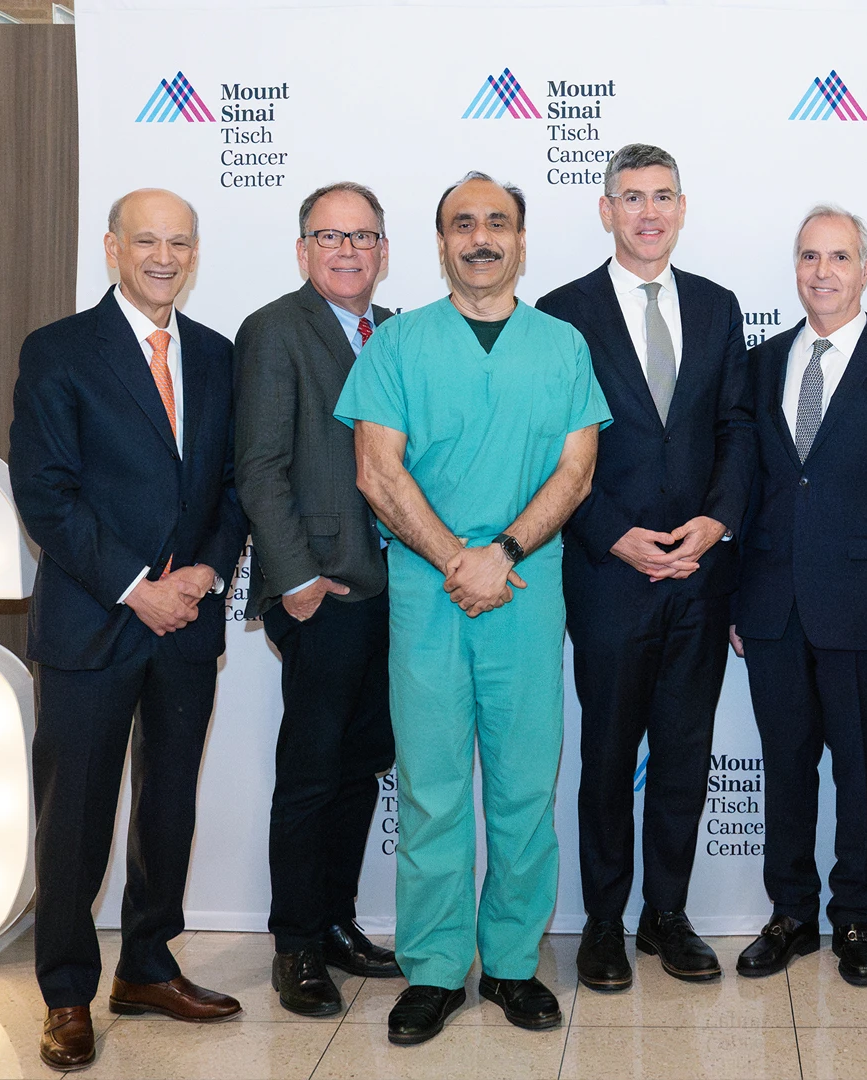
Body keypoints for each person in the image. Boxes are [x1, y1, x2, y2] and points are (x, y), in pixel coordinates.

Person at [335, 171, 611, 1045]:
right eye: (464, 223)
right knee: (432, 790)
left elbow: (578, 471)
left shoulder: (562, 345)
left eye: (498, 223)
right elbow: (379, 471)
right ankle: (432, 969)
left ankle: (514, 965)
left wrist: (505, 554)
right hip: (430, 595)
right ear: (441, 240)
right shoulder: (399, 345)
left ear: (521, 241)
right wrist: (460, 559)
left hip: (525, 592)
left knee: (525, 789)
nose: (481, 237)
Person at [9, 188, 249, 1071]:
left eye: (178, 242)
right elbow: (46, 493)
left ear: (195, 252)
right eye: (145, 240)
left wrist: (204, 574)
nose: (163, 256)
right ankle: (67, 993)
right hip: (92, 623)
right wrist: (135, 586)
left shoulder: (220, 358)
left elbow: (233, 489)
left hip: (186, 622)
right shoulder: (60, 351)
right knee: (73, 817)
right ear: (112, 247)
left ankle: (148, 965)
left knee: (168, 807)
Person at [536, 144, 753, 992]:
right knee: (607, 755)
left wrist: (719, 520)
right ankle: (600, 925)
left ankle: (667, 915)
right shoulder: (561, 312)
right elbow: (547, 451)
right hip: (607, 574)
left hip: (700, 574)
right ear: (606, 210)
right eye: (632, 197)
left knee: (684, 755)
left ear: (683, 207)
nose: (648, 212)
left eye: (663, 196)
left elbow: (737, 427)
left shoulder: (718, 305)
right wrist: (610, 531)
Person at [729, 205, 867, 988]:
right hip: (771, 608)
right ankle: (791, 912)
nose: (823, 271)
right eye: (809, 256)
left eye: (839, 257)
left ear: (865, 268)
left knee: (858, 766)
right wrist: (736, 603)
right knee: (784, 765)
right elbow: (746, 490)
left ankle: (853, 915)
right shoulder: (758, 366)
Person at [234, 181, 404, 1017]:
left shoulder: (399, 333)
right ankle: (296, 945)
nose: (348, 251)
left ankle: (336, 920)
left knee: (359, 769)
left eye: (364, 236)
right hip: (323, 591)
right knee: (309, 775)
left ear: (383, 250)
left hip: (394, 593)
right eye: (331, 237)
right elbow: (259, 466)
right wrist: (295, 580)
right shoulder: (274, 330)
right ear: (303, 250)